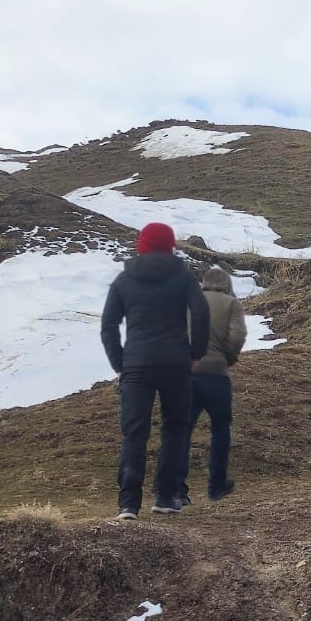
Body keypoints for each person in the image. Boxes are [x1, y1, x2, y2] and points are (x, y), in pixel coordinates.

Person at [100, 222, 209, 520]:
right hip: (176, 363)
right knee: (175, 429)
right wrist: (195, 354)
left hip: (136, 365)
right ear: (170, 245)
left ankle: (128, 504)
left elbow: (108, 324)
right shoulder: (183, 277)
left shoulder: (124, 279)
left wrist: (119, 364)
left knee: (134, 433)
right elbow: (200, 314)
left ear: (142, 245)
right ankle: (164, 496)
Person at [178, 266, 247, 505]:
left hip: (186, 375)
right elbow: (237, 336)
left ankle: (177, 489)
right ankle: (216, 485)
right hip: (216, 375)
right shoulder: (231, 304)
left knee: (181, 431)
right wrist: (227, 357)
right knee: (220, 430)